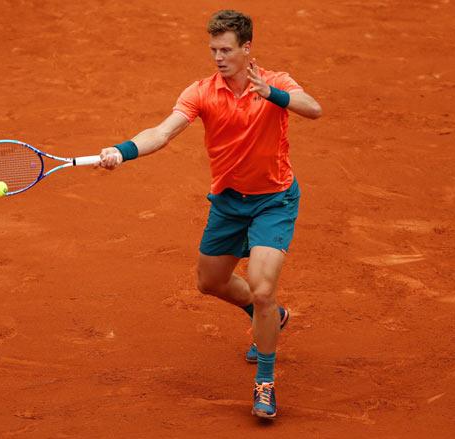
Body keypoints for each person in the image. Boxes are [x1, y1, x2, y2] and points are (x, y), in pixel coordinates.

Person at [98, 9, 321, 419]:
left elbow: (313, 108)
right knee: (210, 281)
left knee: (263, 286)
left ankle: (265, 382)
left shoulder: (276, 83)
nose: (218, 57)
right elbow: (162, 133)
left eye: (226, 49)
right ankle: (268, 319)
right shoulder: (201, 92)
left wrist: (273, 95)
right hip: (229, 202)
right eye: (213, 49)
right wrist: (121, 150)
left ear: (247, 48)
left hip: (274, 200)